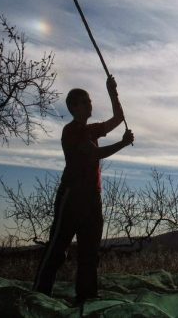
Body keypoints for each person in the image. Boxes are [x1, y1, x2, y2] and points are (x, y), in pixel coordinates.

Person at [33, 76, 134, 303]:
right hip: (72, 196)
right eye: (85, 102)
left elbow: (118, 118)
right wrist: (122, 143)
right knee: (58, 249)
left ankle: (86, 298)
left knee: (89, 252)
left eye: (89, 101)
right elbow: (94, 154)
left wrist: (112, 92)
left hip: (92, 198)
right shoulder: (71, 131)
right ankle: (39, 295)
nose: (90, 105)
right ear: (74, 107)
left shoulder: (92, 129)